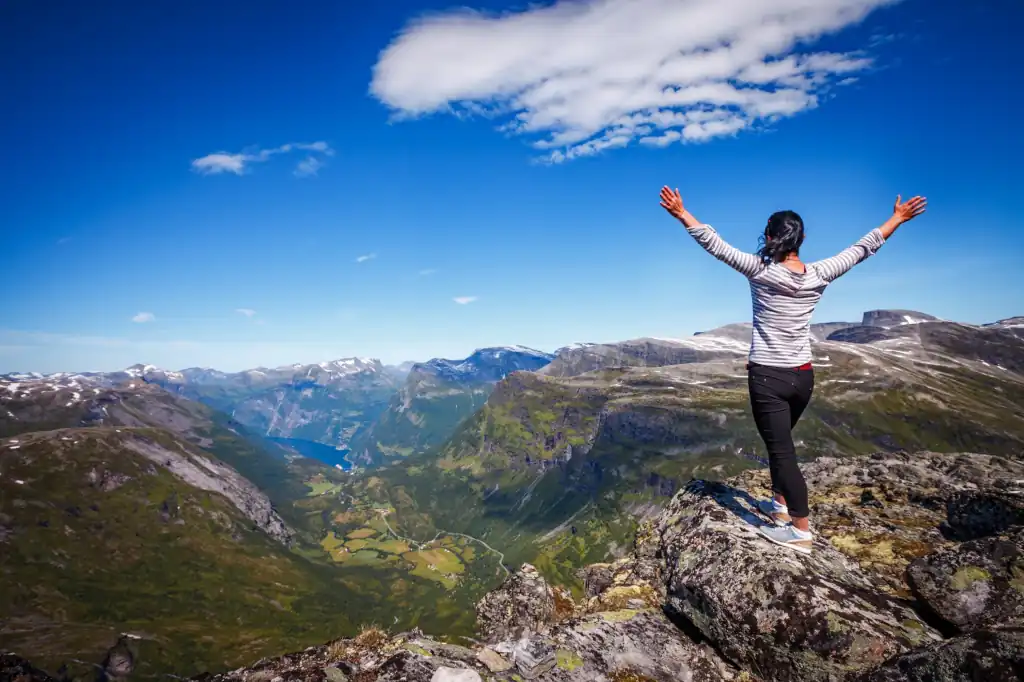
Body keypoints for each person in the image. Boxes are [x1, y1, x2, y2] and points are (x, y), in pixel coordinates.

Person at [658, 187, 927, 554]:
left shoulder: (760, 271)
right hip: (802, 376)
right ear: (802, 240)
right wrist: (897, 218)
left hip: (768, 376)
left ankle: (800, 530)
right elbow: (862, 249)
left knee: (782, 452)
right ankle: (779, 507)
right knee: (778, 444)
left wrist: (682, 214)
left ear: (770, 237)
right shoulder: (819, 274)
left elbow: (715, 245)